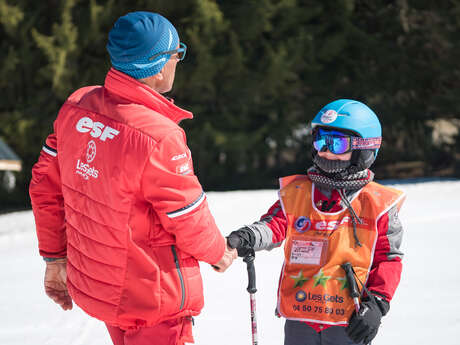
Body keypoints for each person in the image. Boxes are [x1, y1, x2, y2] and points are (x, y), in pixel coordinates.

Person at [29, 11, 237, 345]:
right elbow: (187, 216)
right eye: (175, 54)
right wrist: (218, 252)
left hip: (104, 292)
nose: (176, 62)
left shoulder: (77, 107)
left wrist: (55, 259)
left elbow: (45, 187)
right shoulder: (159, 137)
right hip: (153, 299)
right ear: (156, 68)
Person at [228, 99, 405, 345]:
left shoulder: (378, 204)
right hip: (301, 317)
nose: (327, 151)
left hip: (349, 320)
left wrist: (377, 303)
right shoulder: (298, 192)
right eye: (321, 141)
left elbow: (388, 259)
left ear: (364, 150)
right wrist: (247, 237)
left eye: (338, 144)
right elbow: (275, 224)